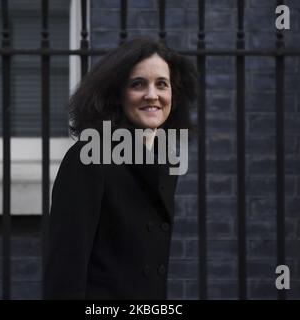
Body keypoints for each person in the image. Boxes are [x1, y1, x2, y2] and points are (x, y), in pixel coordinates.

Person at [44, 38, 197, 299]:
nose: (152, 95)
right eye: (138, 84)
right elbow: (64, 273)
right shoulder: (88, 158)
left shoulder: (163, 162)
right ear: (116, 94)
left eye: (162, 84)